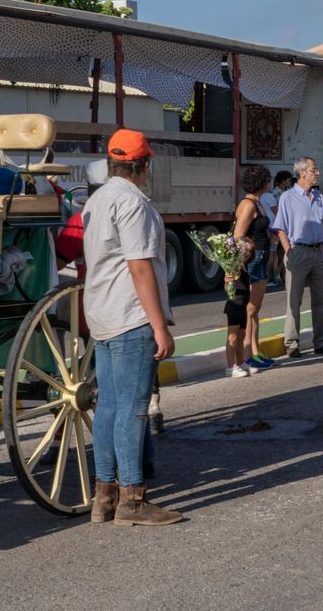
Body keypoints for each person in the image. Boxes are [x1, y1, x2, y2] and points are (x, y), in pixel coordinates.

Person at [82, 129, 182, 526]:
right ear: (144, 166)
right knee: (134, 409)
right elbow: (139, 266)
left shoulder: (97, 199)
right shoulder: (133, 203)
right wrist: (160, 326)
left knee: (108, 405)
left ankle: (103, 497)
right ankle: (132, 500)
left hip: (102, 313)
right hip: (130, 314)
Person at [271, 156, 323, 358]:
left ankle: (321, 341)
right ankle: (292, 343)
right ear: (302, 173)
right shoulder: (287, 197)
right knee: (294, 300)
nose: (317, 173)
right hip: (298, 250)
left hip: (319, 251)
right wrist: (289, 251)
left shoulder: (318, 197)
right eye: (313, 170)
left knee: (322, 299)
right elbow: (280, 227)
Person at [232, 165, 276, 373]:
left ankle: (255, 351)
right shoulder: (249, 204)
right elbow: (238, 236)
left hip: (261, 256)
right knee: (252, 309)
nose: (270, 182)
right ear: (262, 182)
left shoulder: (256, 203)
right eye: (268, 179)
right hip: (254, 259)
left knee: (255, 310)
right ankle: (249, 354)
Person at [264, 170, 292, 286]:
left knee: (279, 252)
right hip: (278, 225)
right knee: (275, 252)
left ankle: (277, 273)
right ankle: (272, 275)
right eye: (289, 180)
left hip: (276, 225)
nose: (290, 182)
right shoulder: (275, 194)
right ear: (283, 181)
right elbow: (277, 211)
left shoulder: (282, 192)